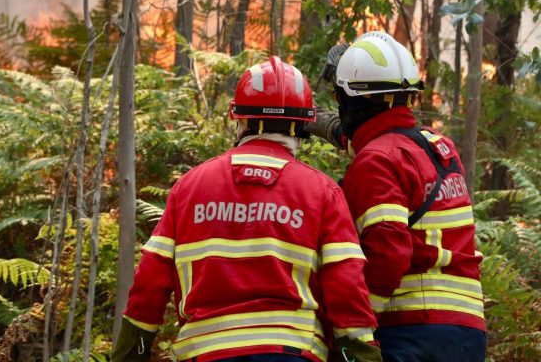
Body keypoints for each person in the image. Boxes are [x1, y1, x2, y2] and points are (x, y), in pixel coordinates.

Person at [112, 56, 381, 362]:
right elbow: (346, 287)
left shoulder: (189, 188)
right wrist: (359, 354)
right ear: (302, 125)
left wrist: (130, 355)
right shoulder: (322, 192)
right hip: (291, 353)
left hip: (205, 354)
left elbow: (149, 285)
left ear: (239, 119)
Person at [309, 31, 487, 362]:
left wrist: (355, 324)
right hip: (467, 332)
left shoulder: (377, 159)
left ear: (352, 100)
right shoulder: (438, 146)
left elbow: (389, 251)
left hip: (411, 330)